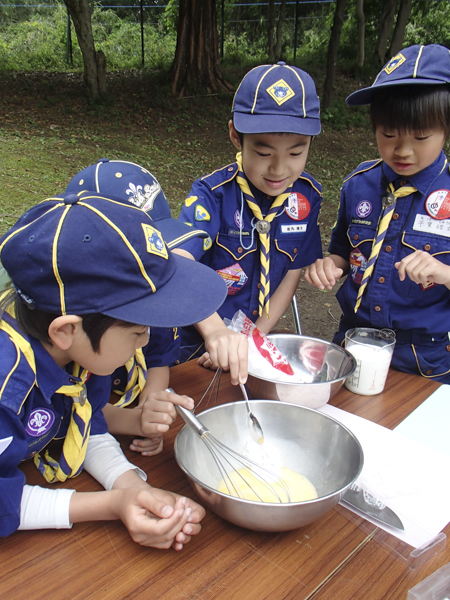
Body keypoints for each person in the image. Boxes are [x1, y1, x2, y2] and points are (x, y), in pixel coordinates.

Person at [0, 189, 228, 548]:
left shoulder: (77, 353)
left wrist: (132, 488)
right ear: (65, 330)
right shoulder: (7, 387)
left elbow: (84, 421)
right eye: (138, 331)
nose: (146, 342)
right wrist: (110, 505)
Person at [65, 159, 248, 458]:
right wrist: (131, 421)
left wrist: (150, 409)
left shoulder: (154, 298)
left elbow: (157, 361)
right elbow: (73, 407)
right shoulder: (72, 321)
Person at [303, 43, 450, 383]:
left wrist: (443, 272)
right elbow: (343, 252)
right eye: (388, 134)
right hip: (353, 342)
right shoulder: (359, 184)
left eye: (421, 136)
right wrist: (330, 266)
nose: (403, 150)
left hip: (424, 359)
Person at [174, 61, 323, 364]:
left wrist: (253, 339)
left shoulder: (306, 197)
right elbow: (178, 265)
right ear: (235, 136)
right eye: (264, 153)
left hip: (252, 343)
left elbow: (292, 271)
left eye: (296, 152)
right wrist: (215, 333)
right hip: (195, 346)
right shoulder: (212, 195)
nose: (279, 169)